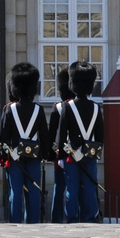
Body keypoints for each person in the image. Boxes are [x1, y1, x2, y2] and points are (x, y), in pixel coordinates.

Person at [55, 61, 104, 223]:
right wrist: (93, 153)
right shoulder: (96, 108)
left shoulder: (67, 107)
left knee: (72, 188)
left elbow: (61, 136)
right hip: (90, 155)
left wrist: (61, 156)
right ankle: (90, 218)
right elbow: (100, 137)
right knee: (90, 188)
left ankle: (72, 218)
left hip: (71, 155)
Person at [0, 62, 46, 224]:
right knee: (33, 191)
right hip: (34, 156)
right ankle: (33, 222)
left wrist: (4, 156)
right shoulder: (38, 110)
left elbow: (3, 137)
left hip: (14, 157)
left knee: (15, 192)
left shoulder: (8, 109)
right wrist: (45, 154)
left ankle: (15, 223)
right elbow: (45, 137)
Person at [46, 68, 73, 223]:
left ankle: (56, 218)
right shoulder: (62, 107)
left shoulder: (58, 107)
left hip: (61, 154)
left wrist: (51, 154)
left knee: (60, 187)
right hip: (76, 153)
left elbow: (52, 134)